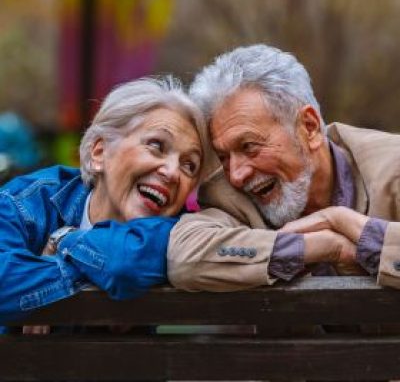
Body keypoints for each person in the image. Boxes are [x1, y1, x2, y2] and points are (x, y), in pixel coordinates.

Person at [168, 44, 400, 292]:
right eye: (223, 157)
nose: (236, 175)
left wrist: (344, 222)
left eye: (249, 146)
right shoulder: (226, 195)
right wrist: (326, 247)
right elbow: (184, 259)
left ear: (309, 128)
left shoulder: (392, 164)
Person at [0, 76, 207, 325]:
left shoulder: (180, 230)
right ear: (100, 152)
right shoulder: (29, 201)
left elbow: (123, 266)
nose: (173, 172)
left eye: (189, 165)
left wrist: (65, 241)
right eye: (156, 145)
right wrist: (90, 269)